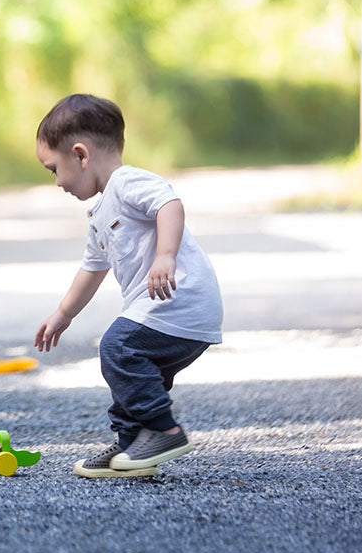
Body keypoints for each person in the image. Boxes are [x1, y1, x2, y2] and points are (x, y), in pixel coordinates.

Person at [32, 93, 222, 478]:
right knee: (128, 375)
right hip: (167, 311)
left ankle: (164, 431)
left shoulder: (126, 182)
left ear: (81, 155)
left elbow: (168, 203)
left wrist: (165, 255)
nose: (56, 182)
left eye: (54, 169)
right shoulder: (100, 212)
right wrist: (63, 314)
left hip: (177, 299)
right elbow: (91, 269)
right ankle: (135, 448)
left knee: (117, 348)